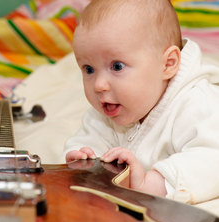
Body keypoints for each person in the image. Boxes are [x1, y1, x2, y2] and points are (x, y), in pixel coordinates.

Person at [63, 0, 219, 204]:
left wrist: (153, 183)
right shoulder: (106, 109)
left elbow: (211, 159)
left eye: (117, 66)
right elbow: (89, 140)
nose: (99, 85)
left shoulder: (196, 104)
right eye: (89, 69)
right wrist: (83, 161)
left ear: (168, 64)